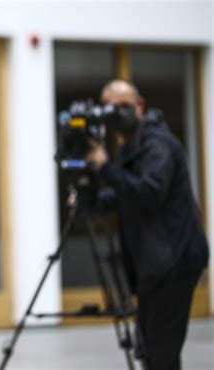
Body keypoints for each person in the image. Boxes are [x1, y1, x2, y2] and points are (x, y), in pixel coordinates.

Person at [85, 79, 209, 370]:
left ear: (140, 105)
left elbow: (148, 194)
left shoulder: (158, 144)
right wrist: (93, 199)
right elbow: (125, 194)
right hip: (153, 264)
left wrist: (105, 167)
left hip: (174, 262)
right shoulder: (131, 146)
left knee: (160, 351)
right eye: (110, 108)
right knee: (152, 349)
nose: (117, 113)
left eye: (123, 106)